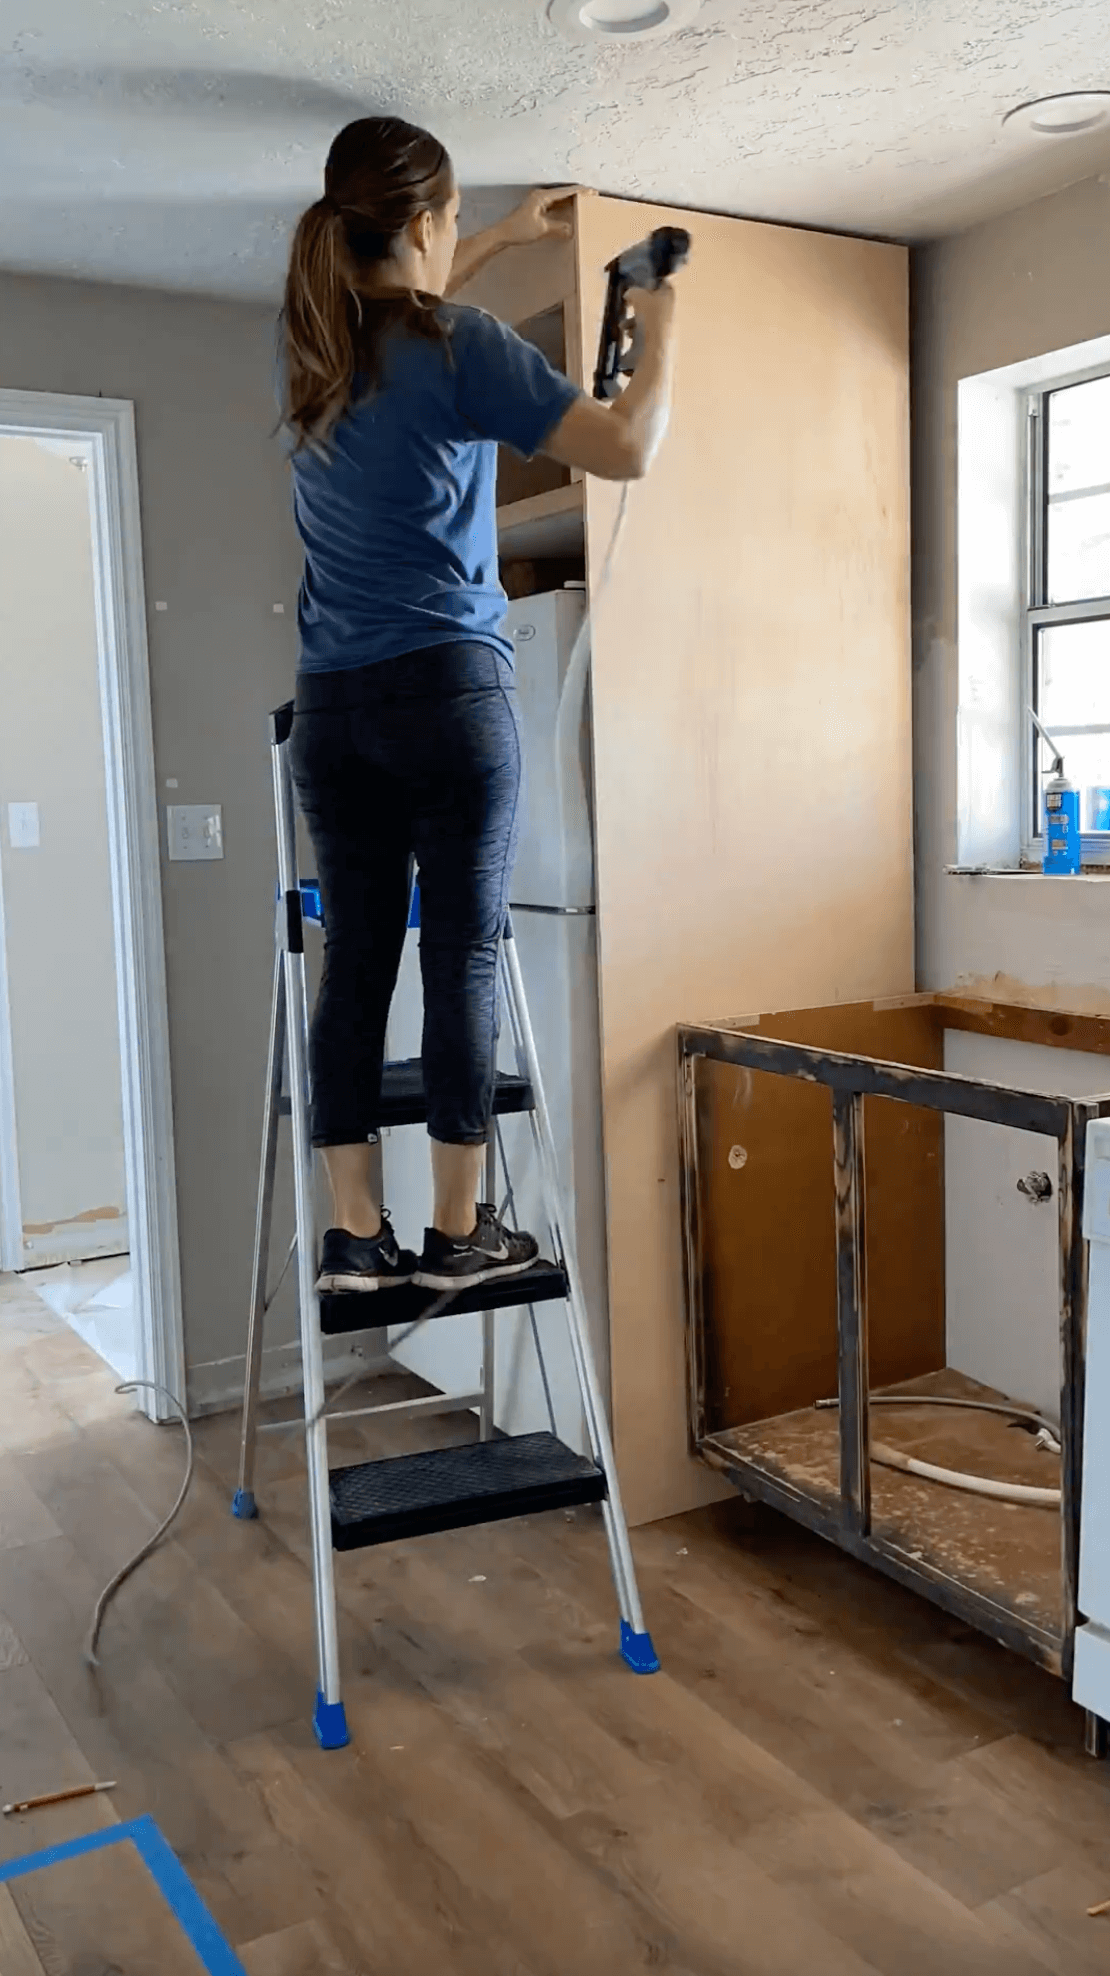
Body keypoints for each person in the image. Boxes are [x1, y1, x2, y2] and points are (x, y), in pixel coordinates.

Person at [281, 115, 677, 1297]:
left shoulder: (306, 345)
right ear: (418, 226)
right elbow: (626, 446)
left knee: (356, 956)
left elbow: (405, 296)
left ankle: (357, 1237)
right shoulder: (465, 344)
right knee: (459, 950)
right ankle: (459, 1232)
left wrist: (501, 229)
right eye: (453, 222)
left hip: (334, 707)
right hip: (449, 690)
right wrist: (660, 324)